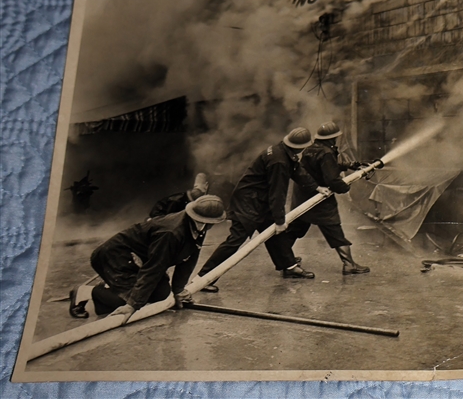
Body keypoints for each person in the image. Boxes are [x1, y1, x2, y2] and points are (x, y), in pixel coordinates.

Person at [196, 127, 329, 292]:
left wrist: (316, 187)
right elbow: (277, 193)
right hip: (249, 203)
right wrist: (280, 220)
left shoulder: (283, 150)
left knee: (274, 234)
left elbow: (297, 171)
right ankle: (204, 278)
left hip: (259, 200)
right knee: (235, 240)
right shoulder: (278, 161)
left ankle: (288, 266)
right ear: (300, 146)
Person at [68, 195, 227, 321]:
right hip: (116, 256)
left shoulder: (199, 226)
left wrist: (179, 290)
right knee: (128, 303)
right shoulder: (171, 233)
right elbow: (154, 268)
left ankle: (115, 286)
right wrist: (132, 305)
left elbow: (189, 257)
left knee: (161, 294)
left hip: (142, 260)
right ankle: (85, 292)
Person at [286, 122, 370, 275]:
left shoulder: (310, 149)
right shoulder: (326, 153)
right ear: (332, 139)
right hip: (320, 198)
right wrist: (345, 187)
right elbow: (332, 178)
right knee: (334, 229)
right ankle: (349, 264)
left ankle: (286, 262)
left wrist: (350, 165)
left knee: (295, 229)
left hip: (303, 197)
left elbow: (323, 167)